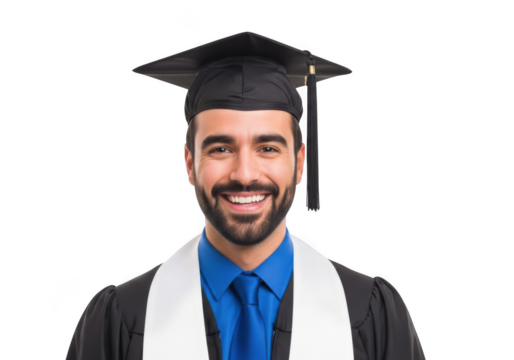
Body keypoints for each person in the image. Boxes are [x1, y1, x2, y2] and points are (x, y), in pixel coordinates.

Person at [65, 32, 425, 360]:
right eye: (221, 149)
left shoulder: (368, 314)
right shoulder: (122, 319)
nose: (245, 174)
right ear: (189, 163)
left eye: (267, 147)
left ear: (301, 163)